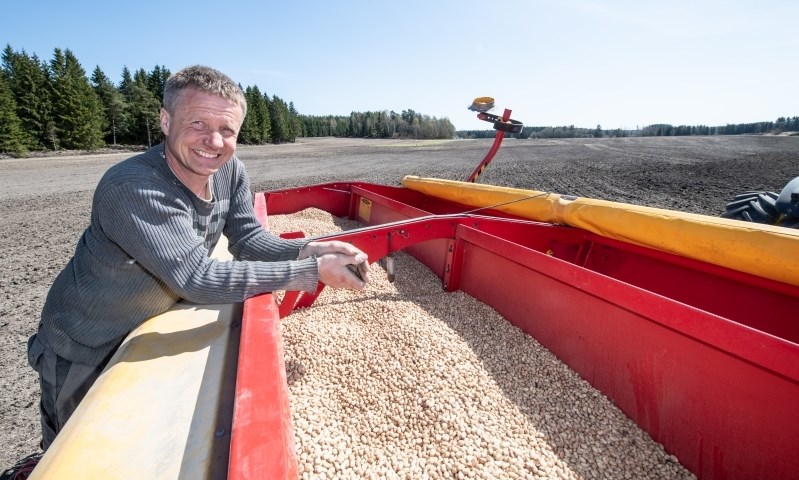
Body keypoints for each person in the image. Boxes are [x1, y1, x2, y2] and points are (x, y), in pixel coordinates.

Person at [24, 65, 370, 455]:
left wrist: (309, 249)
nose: (214, 141)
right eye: (198, 123)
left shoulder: (229, 172)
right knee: (71, 452)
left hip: (145, 331)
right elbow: (195, 277)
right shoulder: (134, 186)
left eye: (227, 130)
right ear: (166, 120)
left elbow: (247, 237)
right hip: (85, 344)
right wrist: (309, 272)